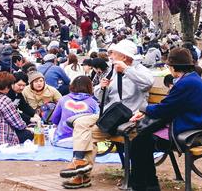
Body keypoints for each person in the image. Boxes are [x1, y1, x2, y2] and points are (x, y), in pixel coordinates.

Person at [58, 39, 154, 189]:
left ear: (124, 56)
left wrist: (127, 70)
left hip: (129, 117)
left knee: (88, 135)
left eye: (114, 53)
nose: (111, 56)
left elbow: (148, 83)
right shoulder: (112, 71)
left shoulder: (140, 70)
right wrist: (102, 88)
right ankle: (79, 162)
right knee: (81, 123)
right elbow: (98, 95)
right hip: (110, 115)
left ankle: (81, 176)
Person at [128, 47, 202, 191]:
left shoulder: (186, 83)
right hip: (193, 125)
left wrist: (144, 109)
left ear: (173, 67)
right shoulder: (191, 79)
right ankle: (148, 185)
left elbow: (165, 108)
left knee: (140, 142)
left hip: (192, 131)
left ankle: (143, 186)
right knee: (142, 141)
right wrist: (147, 112)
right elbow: (169, 106)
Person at [49, 76, 98, 146]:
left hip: (61, 141)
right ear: (89, 87)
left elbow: (54, 120)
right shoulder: (93, 103)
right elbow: (97, 123)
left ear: (72, 85)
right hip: (83, 142)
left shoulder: (63, 99)